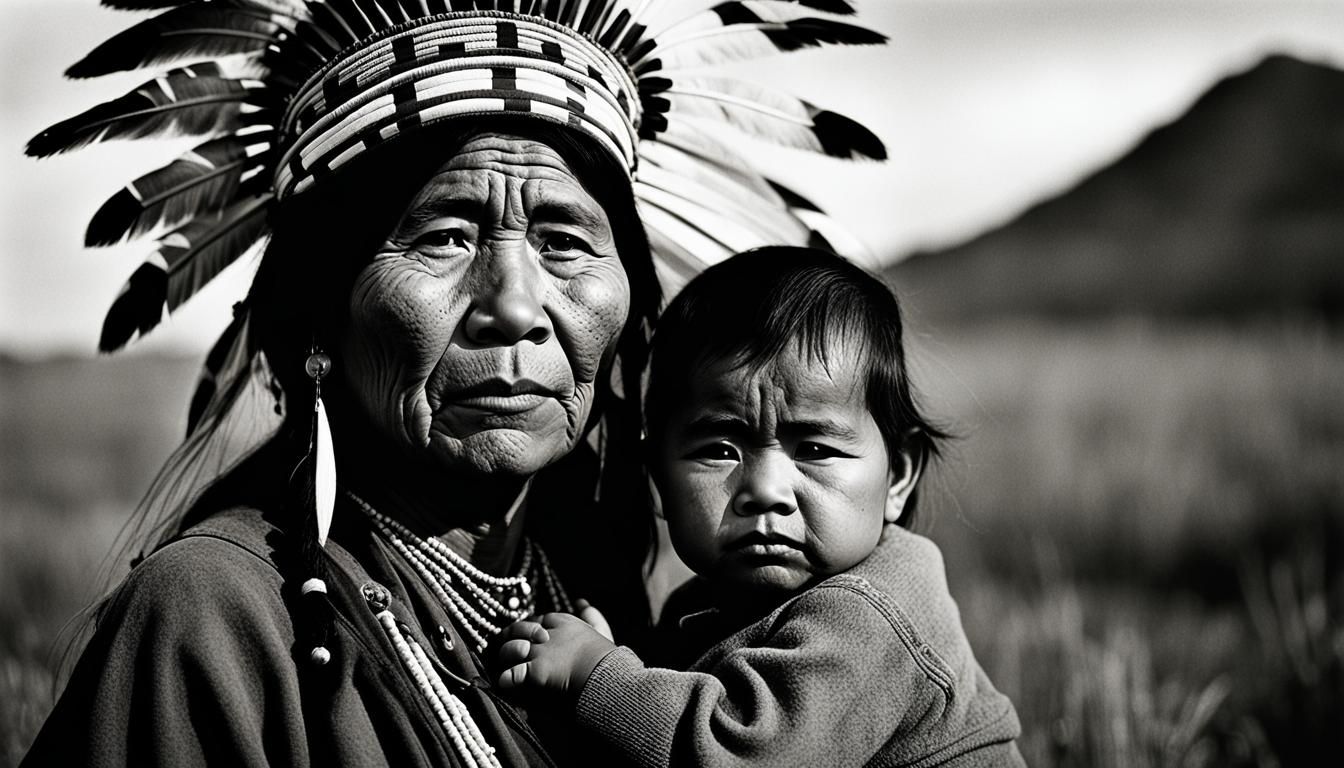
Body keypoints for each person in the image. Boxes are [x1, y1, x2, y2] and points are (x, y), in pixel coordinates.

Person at [20, 2, 892, 766]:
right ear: (322, 318)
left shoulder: (627, 606)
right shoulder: (214, 624)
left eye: (563, 240)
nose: (514, 306)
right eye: (443, 235)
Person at [495, 246, 1024, 766]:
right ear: (657, 479)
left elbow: (743, 754)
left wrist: (599, 676)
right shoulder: (700, 604)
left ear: (898, 477)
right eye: (720, 450)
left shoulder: (869, 612)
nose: (766, 490)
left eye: (816, 450)